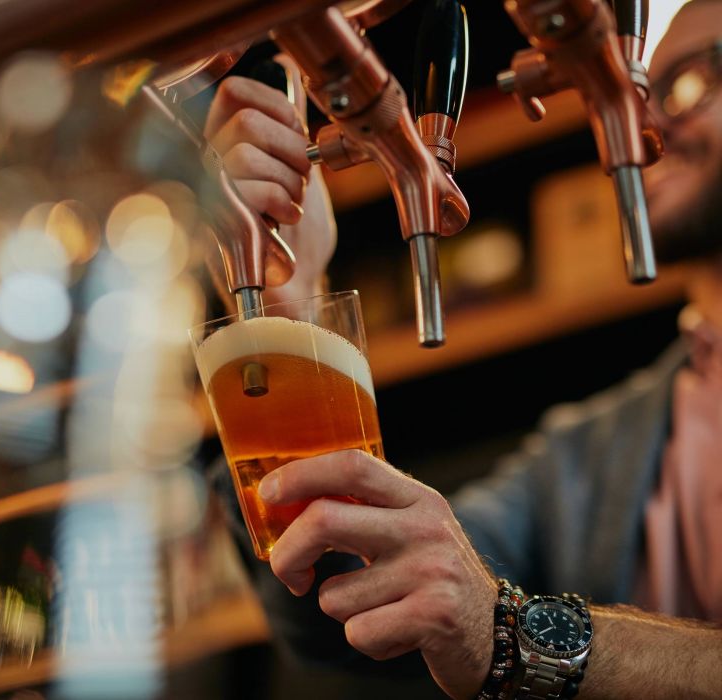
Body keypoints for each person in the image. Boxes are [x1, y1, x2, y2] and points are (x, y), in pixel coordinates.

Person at [201, 2, 722, 698]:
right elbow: (362, 611)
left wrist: (509, 630)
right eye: (643, 97)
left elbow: (489, 620)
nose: (653, 123)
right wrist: (288, 305)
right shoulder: (587, 453)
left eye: (693, 82)